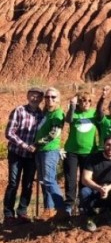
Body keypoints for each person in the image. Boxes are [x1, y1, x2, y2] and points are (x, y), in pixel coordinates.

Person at [4, 87, 43, 225]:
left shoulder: (42, 114)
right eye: (33, 95)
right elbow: (9, 133)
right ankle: (8, 214)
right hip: (16, 153)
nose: (35, 98)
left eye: (38, 96)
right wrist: (25, 145)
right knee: (13, 183)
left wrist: (37, 146)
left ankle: (22, 212)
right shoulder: (19, 110)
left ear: (41, 99)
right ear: (27, 96)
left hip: (32, 156)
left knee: (27, 184)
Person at [79, 136, 111, 232]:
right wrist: (99, 188)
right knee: (84, 192)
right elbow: (85, 179)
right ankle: (91, 216)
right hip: (95, 190)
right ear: (104, 145)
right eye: (108, 145)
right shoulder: (93, 158)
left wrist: (108, 188)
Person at [62, 92, 99, 219]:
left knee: (84, 180)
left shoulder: (94, 113)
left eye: (88, 101)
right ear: (79, 102)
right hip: (72, 151)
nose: (86, 103)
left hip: (89, 152)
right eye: (83, 101)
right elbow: (68, 120)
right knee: (70, 179)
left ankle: (83, 204)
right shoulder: (74, 112)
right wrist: (72, 106)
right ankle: (69, 205)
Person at [35, 87, 65, 220]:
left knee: (49, 179)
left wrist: (37, 143)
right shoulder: (46, 112)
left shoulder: (58, 113)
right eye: (47, 97)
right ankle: (49, 209)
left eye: (53, 97)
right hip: (41, 151)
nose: (50, 99)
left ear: (58, 99)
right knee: (44, 181)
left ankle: (61, 209)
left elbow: (54, 134)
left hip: (50, 150)